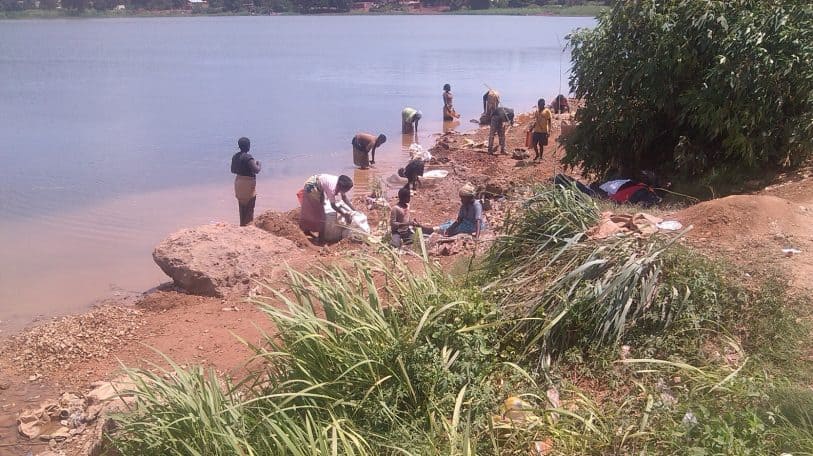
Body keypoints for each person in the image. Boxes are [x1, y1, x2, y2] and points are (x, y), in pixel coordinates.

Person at [298, 174, 355, 242]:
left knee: (319, 205)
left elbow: (344, 198)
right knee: (321, 216)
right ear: (341, 187)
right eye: (346, 190)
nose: (346, 192)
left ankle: (307, 230)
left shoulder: (340, 183)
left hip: (316, 183)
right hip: (312, 187)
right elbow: (333, 206)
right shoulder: (332, 188)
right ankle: (320, 239)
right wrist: (344, 214)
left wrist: (354, 210)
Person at [230, 137, 261, 226]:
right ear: (248, 146)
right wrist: (259, 164)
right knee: (249, 207)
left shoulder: (235, 156)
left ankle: (242, 225)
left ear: (239, 146)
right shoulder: (248, 157)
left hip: (238, 183)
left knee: (242, 206)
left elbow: (232, 170)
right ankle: (248, 227)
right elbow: (256, 170)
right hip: (247, 184)